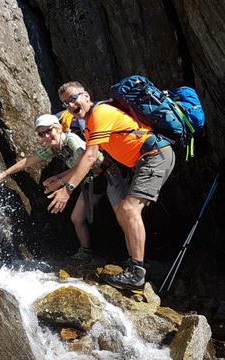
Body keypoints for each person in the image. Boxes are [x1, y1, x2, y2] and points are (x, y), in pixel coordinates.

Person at [46, 81, 175, 290]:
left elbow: (89, 157)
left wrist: (67, 190)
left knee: (129, 208)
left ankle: (137, 272)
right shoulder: (89, 128)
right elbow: (91, 161)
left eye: (73, 98)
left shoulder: (101, 113)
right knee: (124, 213)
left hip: (155, 156)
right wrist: (60, 179)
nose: (70, 105)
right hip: (145, 161)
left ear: (86, 96)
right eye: (65, 103)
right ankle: (135, 264)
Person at [0, 114, 126, 261]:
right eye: (42, 134)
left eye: (49, 130)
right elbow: (28, 161)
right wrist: (3, 174)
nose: (47, 136)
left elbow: (84, 164)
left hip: (108, 175)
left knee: (123, 216)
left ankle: (130, 257)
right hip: (91, 181)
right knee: (76, 218)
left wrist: (60, 180)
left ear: (59, 128)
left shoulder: (71, 140)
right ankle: (85, 252)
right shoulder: (55, 149)